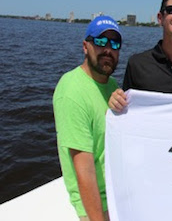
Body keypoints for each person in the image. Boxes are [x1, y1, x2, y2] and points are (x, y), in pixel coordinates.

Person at [53, 15, 123, 220]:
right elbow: (84, 171)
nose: (108, 49)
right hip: (96, 206)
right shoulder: (71, 90)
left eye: (114, 43)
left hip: (116, 192)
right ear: (85, 46)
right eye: (100, 42)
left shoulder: (112, 86)